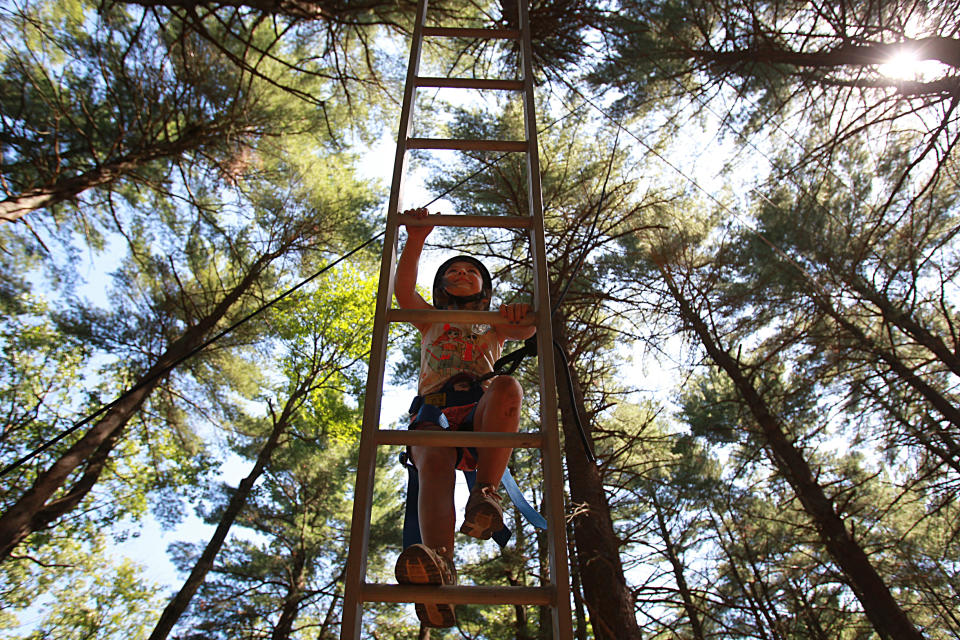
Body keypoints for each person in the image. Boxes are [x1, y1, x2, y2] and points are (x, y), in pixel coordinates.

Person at [393, 207, 536, 628]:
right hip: (435, 410)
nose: (459, 273)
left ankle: (486, 494)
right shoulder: (431, 321)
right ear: (439, 291)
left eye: (468, 271)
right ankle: (439, 559)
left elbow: (526, 328)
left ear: (484, 291)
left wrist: (517, 317)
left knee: (508, 387)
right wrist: (417, 237)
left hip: (479, 408)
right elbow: (403, 291)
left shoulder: (491, 325)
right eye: (451, 272)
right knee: (432, 463)